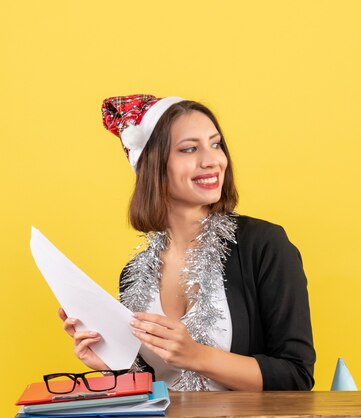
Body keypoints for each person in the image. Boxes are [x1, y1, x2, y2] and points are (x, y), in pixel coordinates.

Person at [59, 94, 316, 391]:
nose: (212, 160)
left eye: (216, 144)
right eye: (189, 149)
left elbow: (296, 376)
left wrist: (197, 356)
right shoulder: (134, 275)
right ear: (153, 167)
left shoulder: (263, 245)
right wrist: (111, 365)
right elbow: (153, 388)